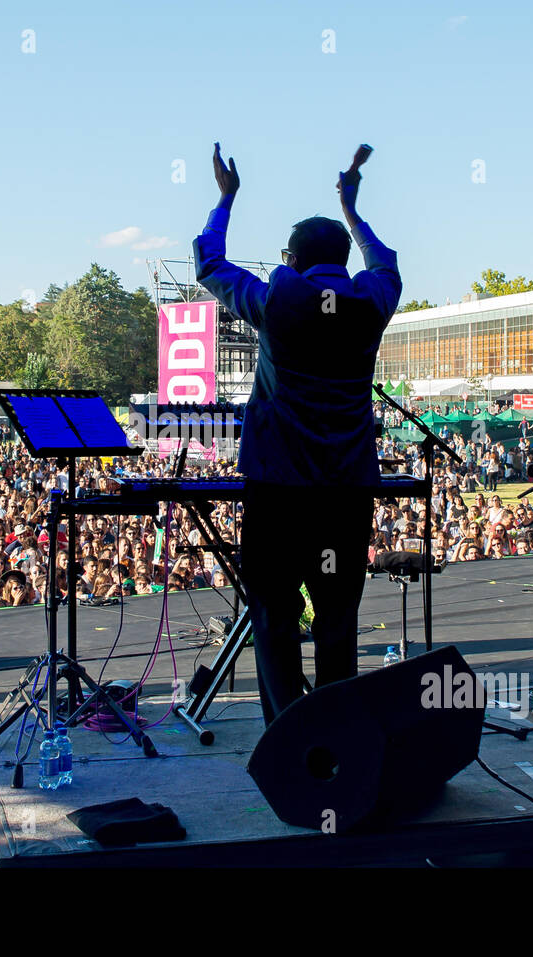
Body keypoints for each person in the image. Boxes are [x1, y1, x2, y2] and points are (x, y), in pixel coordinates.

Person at [194, 142, 401, 723]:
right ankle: (336, 735)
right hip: (345, 492)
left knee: (275, 615)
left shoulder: (278, 300)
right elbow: (384, 263)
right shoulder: (372, 301)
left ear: (294, 257)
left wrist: (225, 200)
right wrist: (353, 210)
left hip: (279, 492)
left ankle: (288, 734)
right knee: (337, 616)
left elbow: (209, 264)